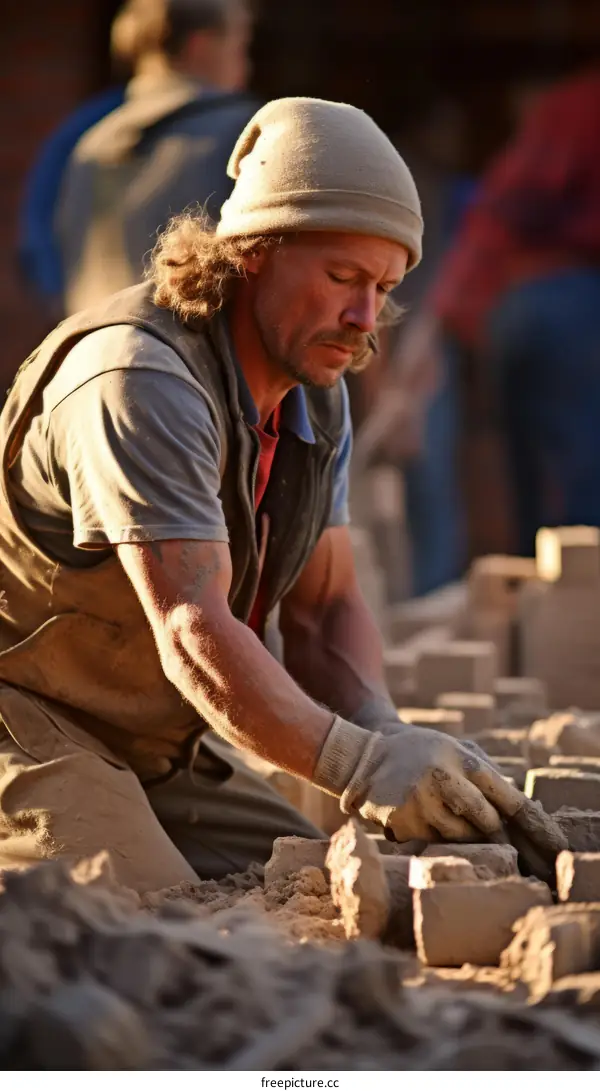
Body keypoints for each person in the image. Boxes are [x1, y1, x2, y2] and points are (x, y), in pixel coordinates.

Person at [0, 97, 563, 893]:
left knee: (309, 877)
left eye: (385, 284)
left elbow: (325, 607)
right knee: (155, 914)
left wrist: (385, 732)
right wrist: (356, 765)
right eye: (342, 277)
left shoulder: (313, 386)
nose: (366, 317)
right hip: (26, 723)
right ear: (255, 251)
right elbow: (192, 627)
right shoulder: (140, 381)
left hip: (158, 743)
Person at [428, 68, 600, 555]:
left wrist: (455, 301)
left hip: (545, 304)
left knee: (551, 485)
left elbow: (502, 208)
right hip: (563, 301)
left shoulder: (573, 105)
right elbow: (508, 207)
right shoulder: (582, 105)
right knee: (575, 498)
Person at [54, 0, 257, 316]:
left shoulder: (90, 144)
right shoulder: (243, 134)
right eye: (242, 45)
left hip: (92, 354)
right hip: (185, 359)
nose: (248, 65)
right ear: (200, 45)